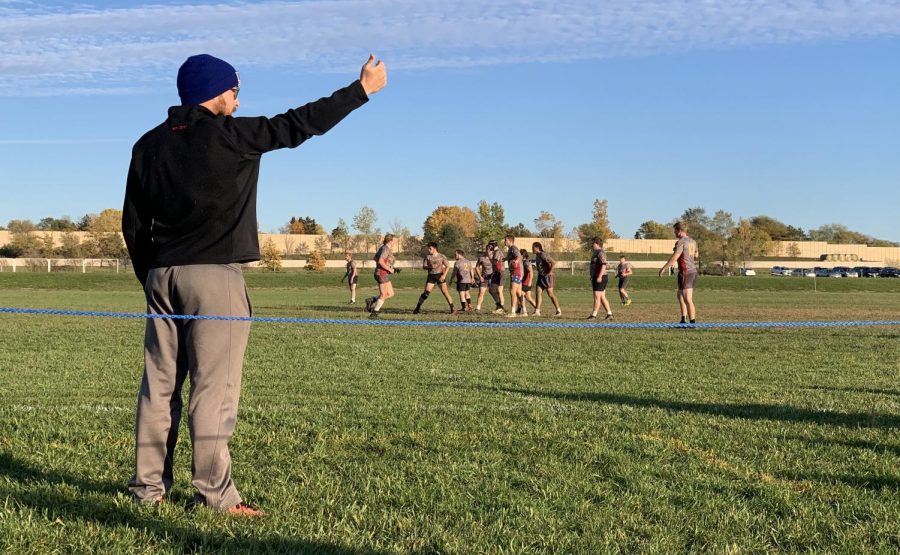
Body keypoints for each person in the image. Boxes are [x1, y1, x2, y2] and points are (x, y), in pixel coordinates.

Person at [122, 52, 387, 516]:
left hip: (162, 277)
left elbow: (133, 223)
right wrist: (360, 91)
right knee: (214, 389)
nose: (238, 102)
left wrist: (151, 274)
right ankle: (215, 497)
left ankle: (147, 489)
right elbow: (300, 124)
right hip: (214, 279)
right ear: (217, 92)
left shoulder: (146, 145)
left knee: (158, 387)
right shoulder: (232, 136)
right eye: (235, 92)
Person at [659, 221, 699, 324]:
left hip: (687, 271)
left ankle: (692, 323)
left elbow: (674, 258)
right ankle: (683, 320)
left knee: (687, 298)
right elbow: (696, 255)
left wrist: (664, 268)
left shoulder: (681, 241)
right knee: (680, 295)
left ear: (680, 230)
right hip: (690, 271)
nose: (674, 233)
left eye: (675, 230)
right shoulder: (693, 241)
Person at [413, 242, 456, 315]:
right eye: (428, 248)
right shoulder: (428, 257)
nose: (429, 250)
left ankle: (453, 309)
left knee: (445, 292)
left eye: (430, 248)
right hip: (431, 276)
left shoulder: (441, 256)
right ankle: (417, 308)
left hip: (440, 275)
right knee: (426, 292)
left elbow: (448, 266)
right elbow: (424, 266)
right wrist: (429, 267)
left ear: (435, 248)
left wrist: (444, 275)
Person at [366, 234, 398, 317]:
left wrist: (389, 267)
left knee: (390, 293)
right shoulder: (386, 249)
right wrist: (389, 269)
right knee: (384, 294)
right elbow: (380, 261)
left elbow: (375, 258)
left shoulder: (383, 247)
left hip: (383, 272)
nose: (395, 242)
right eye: (395, 240)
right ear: (390, 241)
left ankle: (372, 300)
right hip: (381, 273)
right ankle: (374, 313)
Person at [531, 242, 562, 317]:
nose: (532, 249)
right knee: (538, 292)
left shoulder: (543, 254)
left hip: (547, 277)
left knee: (550, 294)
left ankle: (558, 311)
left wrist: (549, 272)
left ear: (537, 248)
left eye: (533, 248)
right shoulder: (537, 255)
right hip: (541, 276)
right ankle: (537, 311)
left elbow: (553, 262)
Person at [588, 237, 613, 320]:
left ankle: (594, 315)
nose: (592, 245)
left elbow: (603, 265)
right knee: (602, 297)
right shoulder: (596, 252)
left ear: (597, 243)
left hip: (600, 277)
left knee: (596, 296)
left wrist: (599, 276)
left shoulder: (601, 252)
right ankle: (609, 314)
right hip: (596, 277)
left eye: (593, 243)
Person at [504, 235, 525, 318]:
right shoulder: (510, 249)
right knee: (518, 292)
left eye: (505, 240)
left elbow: (519, 256)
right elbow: (511, 257)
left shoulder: (513, 248)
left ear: (510, 241)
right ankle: (525, 311)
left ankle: (513, 312)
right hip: (517, 272)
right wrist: (505, 259)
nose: (504, 241)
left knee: (512, 291)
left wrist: (516, 261)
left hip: (517, 271)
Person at [474, 245, 495, 312]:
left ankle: (499, 307)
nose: (489, 251)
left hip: (493, 277)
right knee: (481, 292)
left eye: (491, 249)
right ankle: (478, 308)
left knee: (496, 292)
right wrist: (480, 276)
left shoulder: (495, 258)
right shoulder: (481, 258)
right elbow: (477, 267)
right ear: (486, 250)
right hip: (484, 278)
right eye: (488, 249)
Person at [489, 240, 507, 314]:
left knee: (497, 290)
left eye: (490, 246)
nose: (489, 247)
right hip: (497, 273)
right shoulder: (497, 252)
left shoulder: (497, 252)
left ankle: (500, 307)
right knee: (492, 290)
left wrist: (488, 256)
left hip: (500, 273)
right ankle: (499, 307)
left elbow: (495, 262)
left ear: (493, 245)